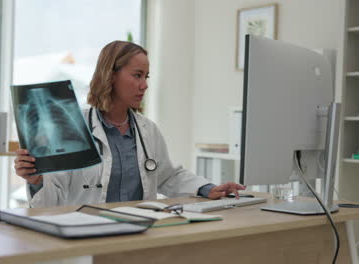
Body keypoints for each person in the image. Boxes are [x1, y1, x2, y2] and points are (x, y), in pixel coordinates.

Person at [14, 40, 245, 208]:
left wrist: (208, 188)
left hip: (139, 236)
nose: (144, 85)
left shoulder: (147, 130)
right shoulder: (73, 128)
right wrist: (36, 180)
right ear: (111, 75)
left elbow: (168, 176)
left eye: (147, 77)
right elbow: (51, 200)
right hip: (86, 236)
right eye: (137, 75)